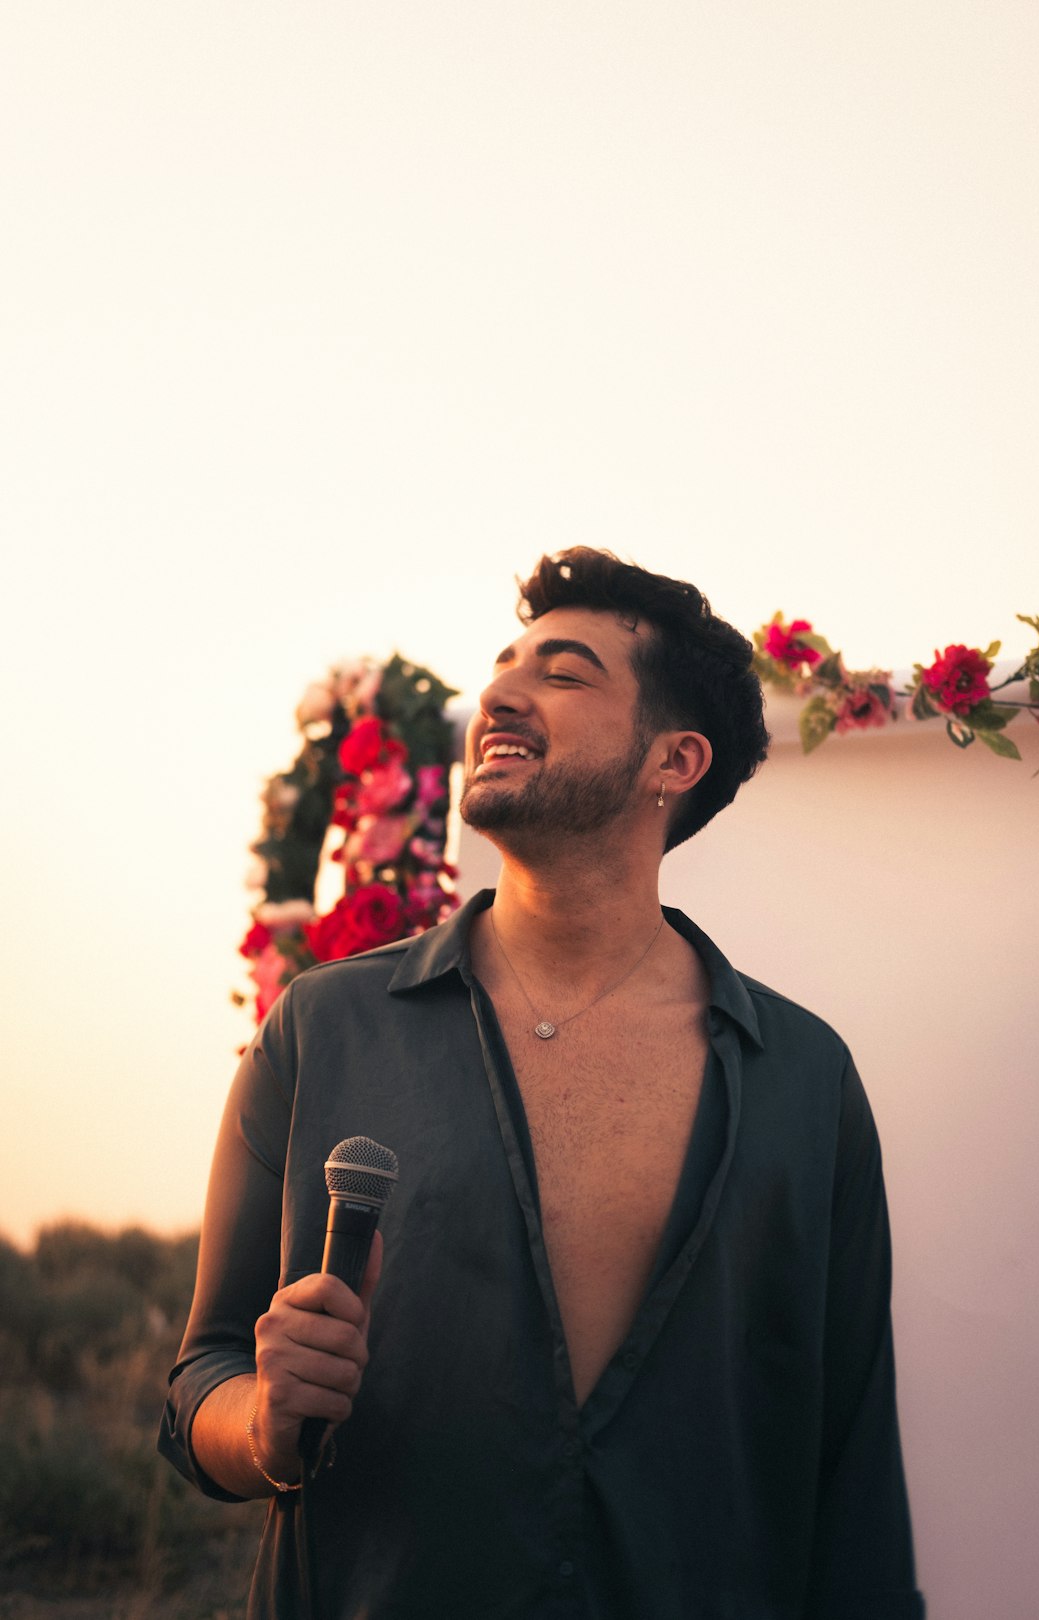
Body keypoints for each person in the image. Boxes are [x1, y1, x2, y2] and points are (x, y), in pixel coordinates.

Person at [160, 547, 925, 1619]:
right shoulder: (323, 1032)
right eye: (504, 666)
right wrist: (263, 1422)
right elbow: (202, 1378)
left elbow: (854, 1479)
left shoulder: (805, 1081)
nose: (500, 694)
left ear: (676, 760)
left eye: (563, 674)